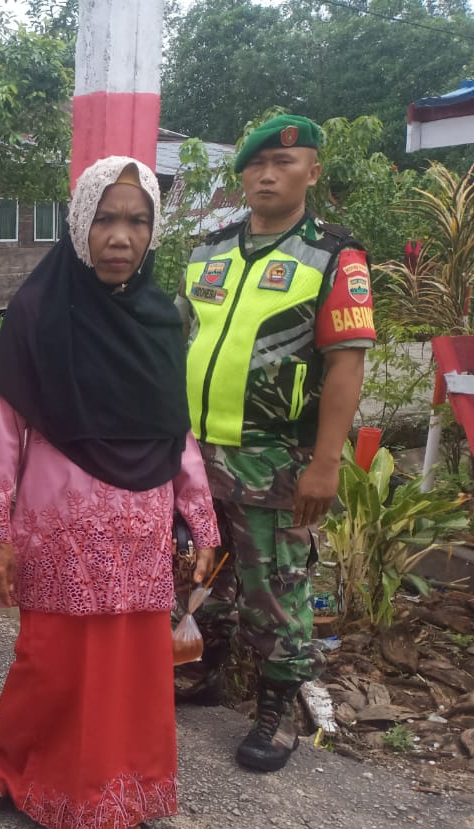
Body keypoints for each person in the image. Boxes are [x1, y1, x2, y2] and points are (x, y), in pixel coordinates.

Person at [0, 157, 219, 829]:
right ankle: (14, 766)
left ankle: (118, 790)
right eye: (106, 218)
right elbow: (3, 432)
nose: (121, 236)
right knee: (49, 658)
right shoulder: (36, 311)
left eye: (137, 221)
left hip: (139, 523)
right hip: (60, 521)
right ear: (80, 223)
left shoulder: (163, 318)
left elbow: (176, 428)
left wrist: (198, 514)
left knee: (130, 666)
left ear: (153, 231)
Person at [179, 115, 375, 772]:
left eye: (284, 164)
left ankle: (278, 714)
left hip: (276, 461)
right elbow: (177, 342)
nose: (267, 175)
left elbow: (347, 364)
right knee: (204, 577)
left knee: (276, 588)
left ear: (311, 172)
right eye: (256, 166)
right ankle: (201, 676)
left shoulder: (332, 258)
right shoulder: (210, 250)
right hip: (198, 456)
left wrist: (324, 464)